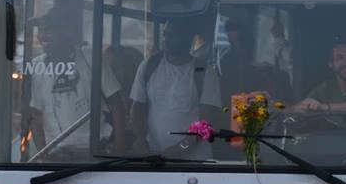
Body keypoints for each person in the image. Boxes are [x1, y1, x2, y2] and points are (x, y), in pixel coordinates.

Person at [26, 10, 127, 160]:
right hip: (57, 155)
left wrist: (119, 145)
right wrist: (43, 154)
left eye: (49, 30)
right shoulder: (36, 66)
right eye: (40, 30)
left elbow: (116, 103)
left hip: (96, 151)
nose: (43, 36)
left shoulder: (91, 59)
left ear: (66, 33)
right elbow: (36, 115)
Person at [130, 17, 223, 159]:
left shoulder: (204, 72)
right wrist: (140, 138)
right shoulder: (149, 66)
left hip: (195, 162)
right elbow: (138, 107)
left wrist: (182, 147)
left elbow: (207, 122)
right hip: (155, 157)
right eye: (165, 34)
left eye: (172, 35)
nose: (166, 39)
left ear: (188, 39)